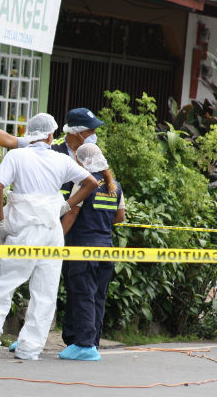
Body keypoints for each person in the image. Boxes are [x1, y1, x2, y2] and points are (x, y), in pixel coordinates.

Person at [0, 113, 99, 360]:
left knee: (3, 285)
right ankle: (29, 349)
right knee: (45, 292)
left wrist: (0, 221)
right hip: (52, 231)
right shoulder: (61, 159)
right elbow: (91, 182)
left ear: (30, 133)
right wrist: (65, 205)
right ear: (51, 135)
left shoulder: (17, 156)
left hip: (23, 230)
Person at [59, 143, 125, 361]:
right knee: (97, 296)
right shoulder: (114, 185)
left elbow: (71, 214)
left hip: (82, 248)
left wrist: (56, 239)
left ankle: (85, 345)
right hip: (106, 248)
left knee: (82, 294)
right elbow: (120, 217)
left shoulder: (84, 183)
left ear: (83, 161)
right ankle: (89, 341)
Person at [52, 108, 104, 199]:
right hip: (56, 208)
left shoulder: (92, 152)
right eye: (90, 131)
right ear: (75, 132)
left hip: (81, 210)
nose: (94, 135)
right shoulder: (53, 150)